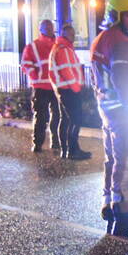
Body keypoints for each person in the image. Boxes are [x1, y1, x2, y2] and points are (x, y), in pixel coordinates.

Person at [90, 0, 128, 240]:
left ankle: (110, 204)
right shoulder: (120, 41)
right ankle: (123, 214)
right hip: (125, 111)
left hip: (108, 109)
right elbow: (124, 78)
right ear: (117, 16)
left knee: (113, 159)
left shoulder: (103, 38)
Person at [49, 23, 91, 160]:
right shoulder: (64, 50)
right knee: (75, 120)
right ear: (65, 35)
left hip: (64, 89)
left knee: (66, 120)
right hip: (69, 90)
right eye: (72, 34)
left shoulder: (62, 48)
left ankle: (67, 150)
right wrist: (77, 88)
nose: (74, 36)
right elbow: (67, 71)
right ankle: (72, 150)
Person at [20, 19, 61, 153]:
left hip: (55, 86)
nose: (50, 30)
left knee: (56, 116)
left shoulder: (57, 45)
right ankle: (38, 144)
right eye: (47, 28)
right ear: (41, 29)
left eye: (51, 28)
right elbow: (26, 64)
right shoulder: (33, 46)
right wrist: (36, 77)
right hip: (42, 87)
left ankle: (55, 142)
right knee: (42, 117)